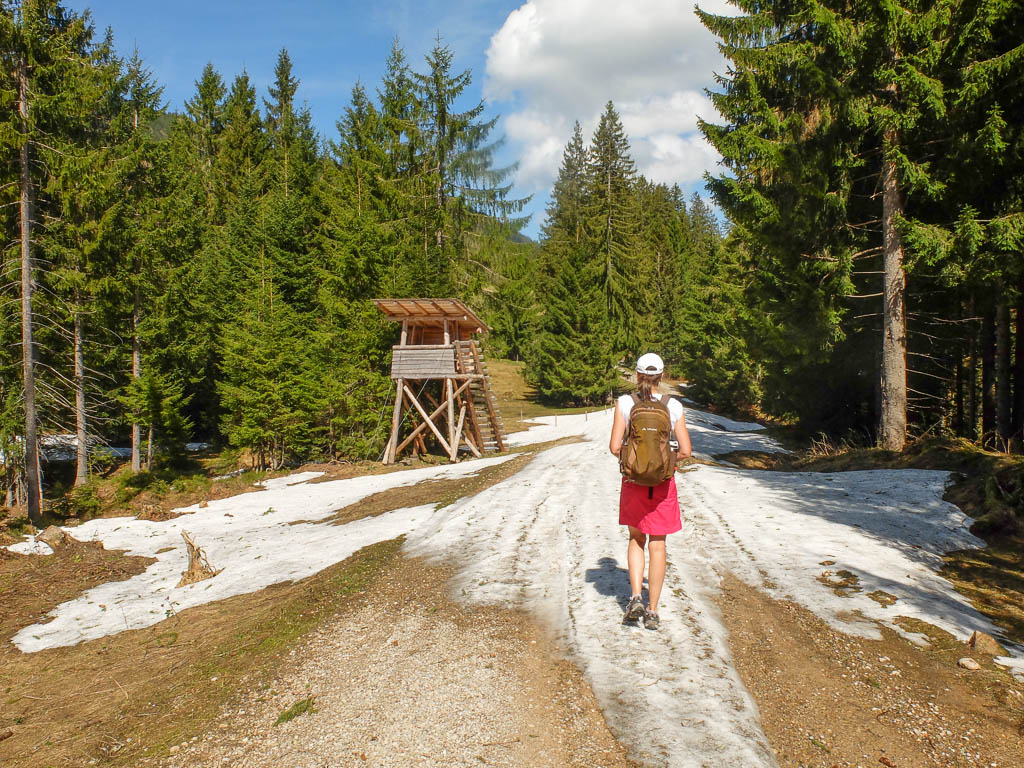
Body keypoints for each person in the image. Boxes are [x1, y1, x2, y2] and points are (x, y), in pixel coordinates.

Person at [608, 352, 692, 630]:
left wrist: (635, 460)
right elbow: (686, 451)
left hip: (633, 483)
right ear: (662, 376)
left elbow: (614, 447)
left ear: (637, 375)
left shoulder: (625, 403)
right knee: (658, 544)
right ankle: (653, 610)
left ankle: (635, 598)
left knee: (636, 538)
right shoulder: (673, 406)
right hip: (662, 484)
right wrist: (664, 461)